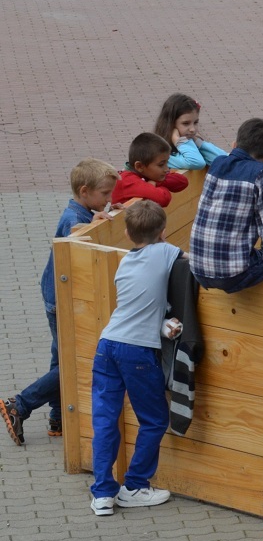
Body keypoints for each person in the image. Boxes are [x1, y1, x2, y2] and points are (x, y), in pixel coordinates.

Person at [1, 159, 117, 446]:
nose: (108, 199)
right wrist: (93, 223)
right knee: (71, 363)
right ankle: (21, 404)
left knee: (60, 357)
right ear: (85, 190)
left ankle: (57, 417)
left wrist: (110, 212)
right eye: (105, 194)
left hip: (57, 297)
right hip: (62, 302)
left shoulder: (85, 211)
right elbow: (76, 236)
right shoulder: (73, 219)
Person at [89, 201, 180, 516]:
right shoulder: (167, 252)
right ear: (163, 232)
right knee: (154, 419)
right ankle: (135, 485)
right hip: (136, 351)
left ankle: (102, 494)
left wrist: (158, 323)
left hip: (107, 345)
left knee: (104, 421)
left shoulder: (125, 263)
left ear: (127, 234)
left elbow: (136, 307)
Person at [190, 117, 263, 293]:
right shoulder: (259, 173)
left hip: (198, 269)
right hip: (233, 275)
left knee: (254, 255)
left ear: (235, 144)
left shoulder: (217, 164)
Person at [111, 132, 189, 207]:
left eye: (167, 162)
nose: (167, 169)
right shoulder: (127, 181)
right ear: (139, 166)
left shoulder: (147, 173)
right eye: (161, 165)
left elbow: (182, 182)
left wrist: (155, 183)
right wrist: (153, 185)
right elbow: (163, 198)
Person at [153, 93, 227, 170]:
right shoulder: (162, 156)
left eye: (195, 123)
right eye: (186, 123)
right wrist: (179, 141)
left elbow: (224, 160)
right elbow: (197, 163)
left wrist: (199, 142)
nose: (193, 129)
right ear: (170, 124)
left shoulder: (190, 145)